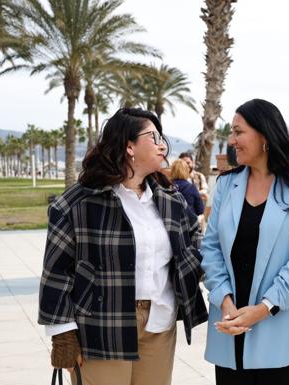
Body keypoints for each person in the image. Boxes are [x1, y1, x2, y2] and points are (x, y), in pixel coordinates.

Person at [38, 108, 208, 385]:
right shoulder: (79, 202)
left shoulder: (169, 199)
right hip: (103, 326)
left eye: (162, 137)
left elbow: (194, 242)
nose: (163, 144)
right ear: (129, 145)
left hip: (160, 323)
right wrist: (62, 332)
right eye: (153, 137)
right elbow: (56, 271)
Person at [200, 99, 289, 385]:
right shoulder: (226, 185)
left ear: (265, 135)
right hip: (230, 327)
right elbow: (210, 248)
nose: (232, 141)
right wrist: (225, 301)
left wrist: (262, 309)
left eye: (238, 132)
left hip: (281, 326)